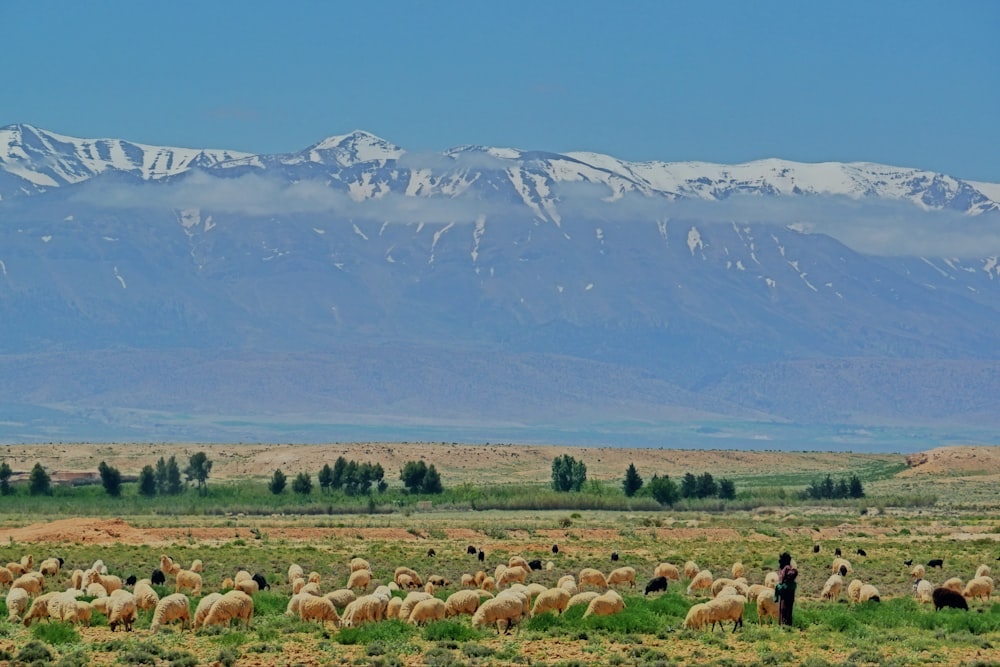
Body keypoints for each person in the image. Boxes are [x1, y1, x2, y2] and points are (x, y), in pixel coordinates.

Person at [775, 552, 798, 627]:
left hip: (783, 592)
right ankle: (786, 625)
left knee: (782, 608)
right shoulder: (787, 568)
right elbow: (792, 575)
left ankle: (781, 624)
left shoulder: (781, 568)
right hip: (788, 592)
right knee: (787, 609)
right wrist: (795, 569)